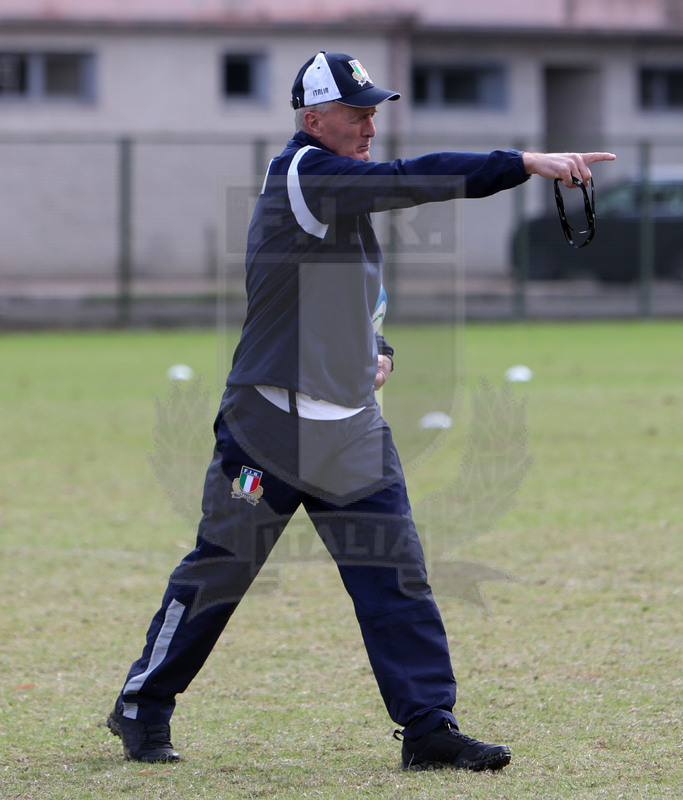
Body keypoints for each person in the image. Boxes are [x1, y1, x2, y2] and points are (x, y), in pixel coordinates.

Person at [107, 51, 615, 771]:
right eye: (357, 112)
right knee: (218, 572)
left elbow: (347, 300)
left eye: (374, 110)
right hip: (268, 428)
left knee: (396, 579)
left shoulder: (339, 197)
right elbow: (410, 180)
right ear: (313, 121)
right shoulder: (306, 174)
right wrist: (524, 161)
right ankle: (141, 705)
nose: (371, 124)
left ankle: (428, 726)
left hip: (349, 429)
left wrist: (377, 350)